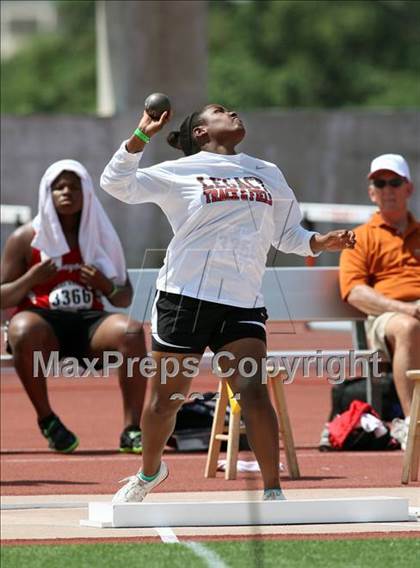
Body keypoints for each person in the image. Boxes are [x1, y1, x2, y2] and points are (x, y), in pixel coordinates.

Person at [101, 103, 356, 502]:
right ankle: (150, 472)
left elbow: (288, 235)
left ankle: (273, 492)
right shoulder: (178, 172)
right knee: (166, 401)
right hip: (183, 298)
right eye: (220, 111)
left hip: (241, 302)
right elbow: (115, 183)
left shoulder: (267, 172)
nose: (233, 112)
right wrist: (141, 135)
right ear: (201, 133)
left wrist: (320, 242)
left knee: (253, 392)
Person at [1, 160, 147, 453]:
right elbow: (3, 298)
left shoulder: (101, 234)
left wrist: (105, 285)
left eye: (74, 186)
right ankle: (48, 421)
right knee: (21, 328)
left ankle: (132, 429)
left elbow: (124, 297)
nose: (67, 192)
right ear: (48, 193)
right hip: (44, 326)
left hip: (89, 324)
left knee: (131, 331)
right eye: (59, 187)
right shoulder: (26, 239)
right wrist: (32, 278)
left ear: (87, 193)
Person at [339, 154, 420, 449]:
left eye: (394, 182)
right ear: (371, 192)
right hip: (387, 318)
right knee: (409, 327)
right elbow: (355, 292)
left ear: (408, 188)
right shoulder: (359, 238)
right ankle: (415, 427)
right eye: (380, 183)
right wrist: (408, 308)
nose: (388, 189)